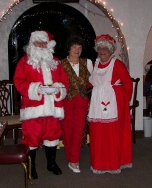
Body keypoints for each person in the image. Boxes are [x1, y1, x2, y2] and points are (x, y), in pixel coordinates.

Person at [13, 30, 69, 178]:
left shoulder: (55, 62)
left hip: (52, 108)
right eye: (38, 42)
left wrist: (58, 88)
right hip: (33, 107)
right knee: (31, 137)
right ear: (32, 44)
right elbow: (18, 82)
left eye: (44, 43)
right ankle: (31, 167)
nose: (41, 45)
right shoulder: (24, 62)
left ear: (48, 45)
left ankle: (51, 164)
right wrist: (36, 89)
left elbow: (65, 82)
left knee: (52, 136)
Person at [87, 34, 133, 174]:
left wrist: (122, 102)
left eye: (105, 48)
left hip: (115, 104)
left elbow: (128, 84)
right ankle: (100, 163)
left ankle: (114, 162)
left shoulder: (117, 64)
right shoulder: (94, 65)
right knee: (98, 133)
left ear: (111, 50)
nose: (102, 51)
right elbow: (90, 82)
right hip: (97, 104)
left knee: (113, 133)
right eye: (100, 48)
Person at [60, 36, 93, 173]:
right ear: (69, 48)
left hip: (82, 100)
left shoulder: (88, 62)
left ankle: (74, 160)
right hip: (66, 101)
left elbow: (93, 82)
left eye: (79, 47)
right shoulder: (60, 64)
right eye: (74, 47)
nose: (77, 50)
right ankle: (70, 157)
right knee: (67, 132)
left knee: (79, 131)